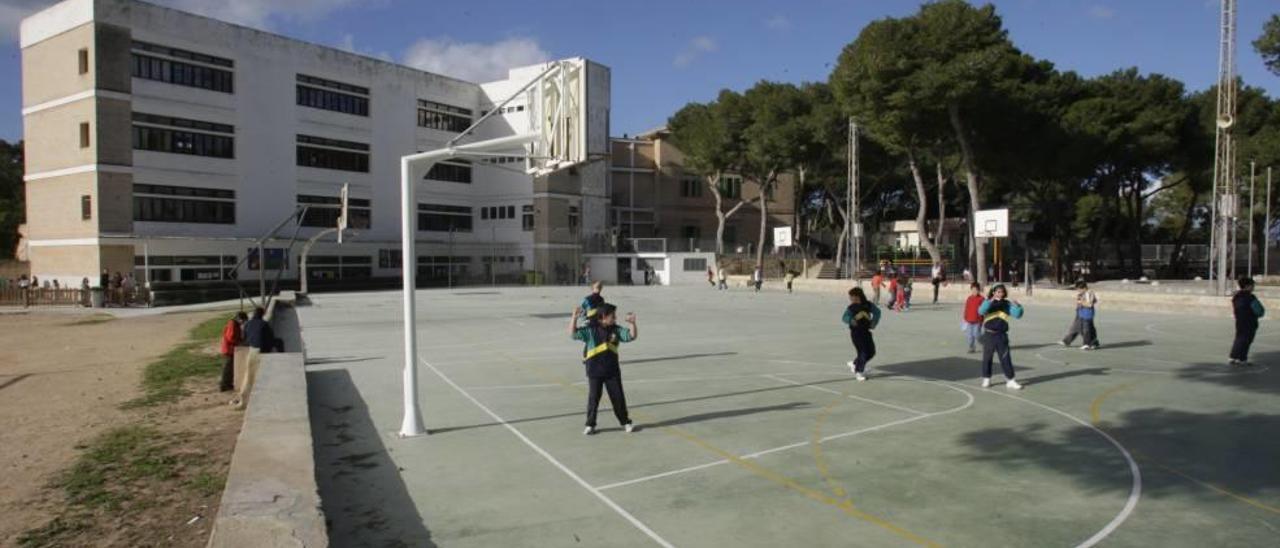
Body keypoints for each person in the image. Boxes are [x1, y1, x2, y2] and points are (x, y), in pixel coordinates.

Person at [569, 302, 638, 435]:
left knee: (618, 398)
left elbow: (631, 336)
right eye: (612, 316)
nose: (615, 318)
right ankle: (590, 424)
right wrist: (574, 318)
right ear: (603, 317)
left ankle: (626, 422)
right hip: (594, 372)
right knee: (593, 399)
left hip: (612, 372)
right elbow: (573, 334)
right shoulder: (590, 330)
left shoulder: (616, 330)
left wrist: (632, 324)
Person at [978, 284, 1024, 389]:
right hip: (989, 335)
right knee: (987, 358)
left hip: (1002, 336)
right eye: (997, 291)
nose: (1000, 293)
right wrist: (989, 301)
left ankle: (1010, 380)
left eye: (1001, 292)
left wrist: (1018, 306)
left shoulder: (1006, 304)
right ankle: (986, 378)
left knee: (1005, 358)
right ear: (993, 292)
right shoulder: (988, 303)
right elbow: (981, 311)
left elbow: (1017, 315)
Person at [842, 287, 882, 381]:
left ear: (858, 296)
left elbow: (877, 312)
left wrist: (874, 322)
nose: (851, 299)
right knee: (863, 351)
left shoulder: (868, 305)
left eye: (852, 297)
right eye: (850, 297)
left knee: (871, 352)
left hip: (866, 332)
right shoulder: (851, 307)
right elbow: (844, 317)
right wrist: (850, 320)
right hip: (856, 333)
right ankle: (859, 372)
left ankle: (855, 363)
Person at [1230, 277, 1265, 366]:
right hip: (1250, 321)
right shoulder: (1250, 297)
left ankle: (1233, 357)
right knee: (1246, 340)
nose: (1253, 288)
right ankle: (1242, 359)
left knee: (1239, 338)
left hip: (1240, 321)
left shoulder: (1236, 296)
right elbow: (1259, 310)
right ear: (1248, 286)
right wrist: (1260, 313)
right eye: (1252, 286)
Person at [1060, 281, 1100, 350]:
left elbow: (1089, 304)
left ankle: (1086, 344)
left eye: (1079, 289)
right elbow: (1094, 301)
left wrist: (1081, 302)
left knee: (1086, 329)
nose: (1078, 291)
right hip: (1080, 313)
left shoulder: (1089, 293)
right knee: (1076, 327)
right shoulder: (1082, 294)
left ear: (1084, 288)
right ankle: (1067, 341)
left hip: (1087, 314)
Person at [219, 312, 247, 392]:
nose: (242, 323)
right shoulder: (232, 324)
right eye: (243, 321)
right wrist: (239, 342)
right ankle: (224, 385)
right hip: (228, 349)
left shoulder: (235, 324)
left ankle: (228, 384)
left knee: (230, 368)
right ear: (239, 319)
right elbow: (230, 338)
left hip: (230, 349)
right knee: (227, 368)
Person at [962, 283, 984, 353]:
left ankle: (985, 343)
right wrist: (965, 317)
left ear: (979, 290)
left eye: (976, 290)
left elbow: (983, 310)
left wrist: (982, 320)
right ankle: (971, 347)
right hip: (969, 321)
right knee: (970, 336)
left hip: (977, 321)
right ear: (971, 290)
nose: (975, 292)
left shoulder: (982, 299)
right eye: (973, 290)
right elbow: (966, 308)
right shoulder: (969, 298)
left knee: (977, 335)